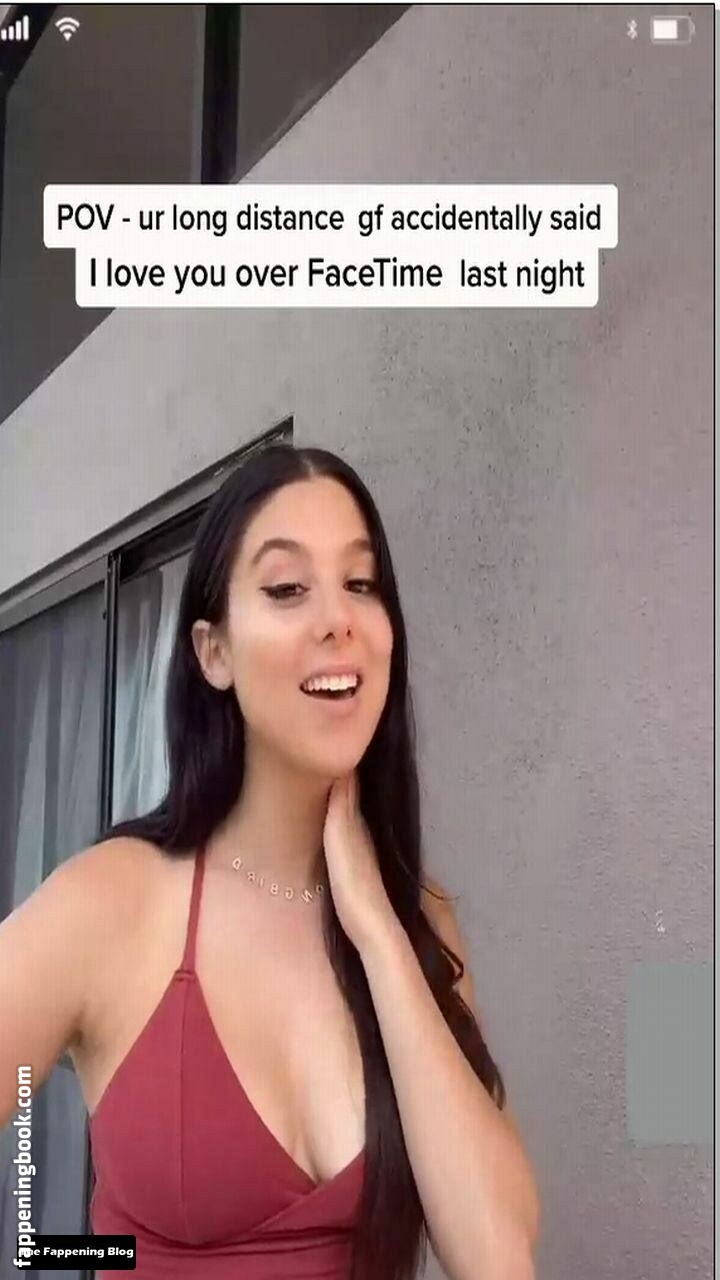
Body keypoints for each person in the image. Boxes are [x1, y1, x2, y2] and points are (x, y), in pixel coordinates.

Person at [1, 444, 535, 1279]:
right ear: (213, 652)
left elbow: (499, 1261)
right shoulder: (112, 901)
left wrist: (378, 933)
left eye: (361, 584)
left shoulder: (414, 916)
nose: (338, 619)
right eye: (287, 589)